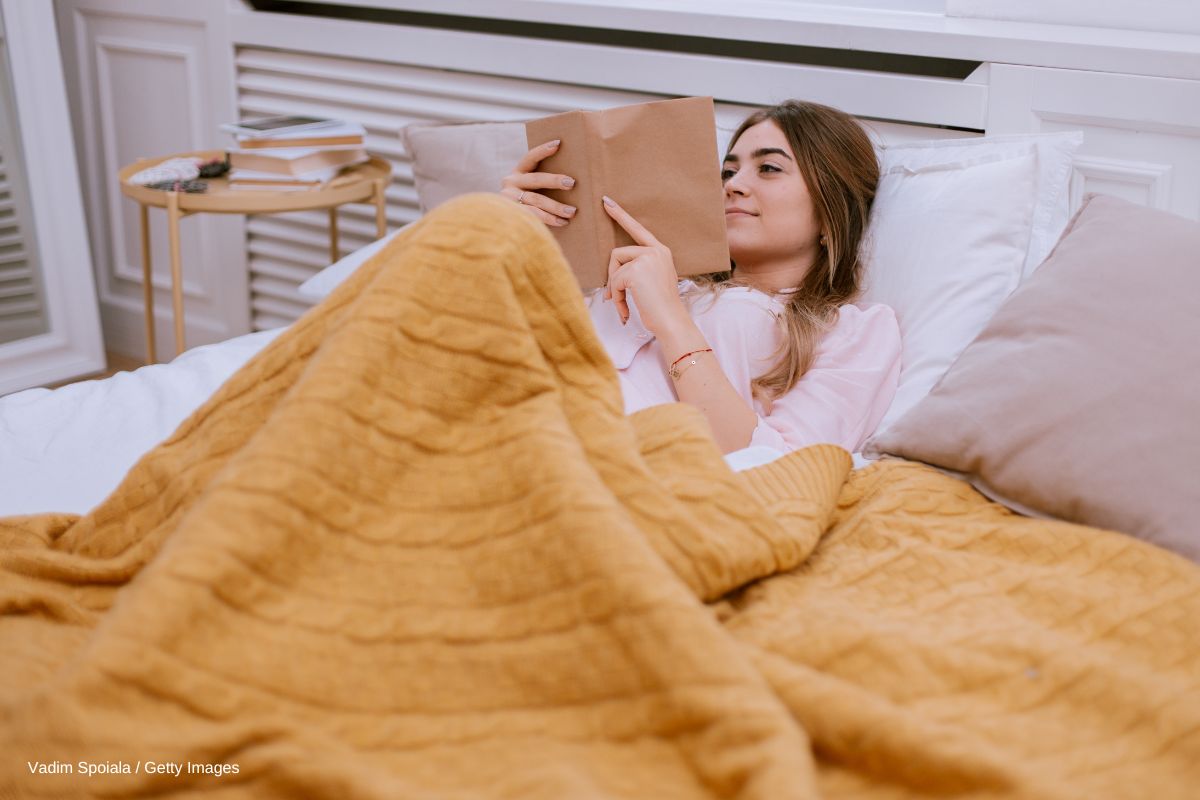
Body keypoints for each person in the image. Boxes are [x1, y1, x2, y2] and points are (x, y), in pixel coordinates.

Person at [500, 100, 901, 456]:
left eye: (769, 168)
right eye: (728, 172)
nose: (733, 186)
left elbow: (779, 469)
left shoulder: (853, 330)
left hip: (595, 463)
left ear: (833, 213)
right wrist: (509, 234)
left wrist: (671, 319)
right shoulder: (641, 274)